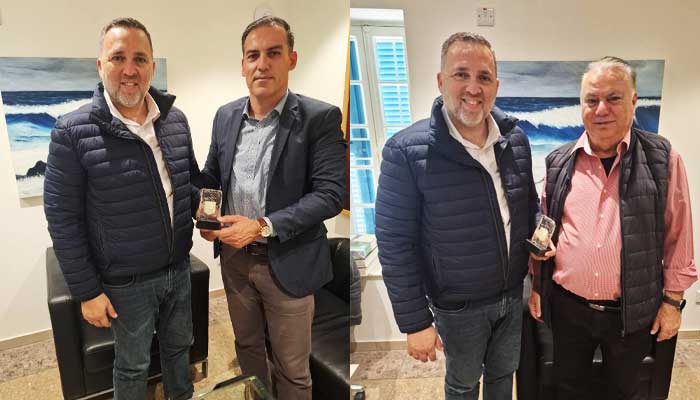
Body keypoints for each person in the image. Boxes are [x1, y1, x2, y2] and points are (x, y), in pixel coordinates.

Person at [375, 32, 545, 400]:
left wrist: (538, 236)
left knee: (503, 376)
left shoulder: (516, 140)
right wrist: (415, 322)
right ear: (440, 81)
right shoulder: (405, 152)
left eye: (483, 77)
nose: (473, 88)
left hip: (512, 294)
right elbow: (394, 244)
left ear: (496, 86)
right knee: (464, 385)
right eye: (461, 74)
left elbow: (526, 204)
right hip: (458, 307)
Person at [43, 17, 198, 400]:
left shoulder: (175, 120)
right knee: (132, 365)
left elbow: (187, 184)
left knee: (180, 349)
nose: (130, 69)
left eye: (140, 59)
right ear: (101, 66)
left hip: (178, 269)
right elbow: (63, 220)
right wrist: (86, 292)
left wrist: (209, 217)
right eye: (118, 58)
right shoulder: (71, 131)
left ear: (152, 67)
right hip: (126, 284)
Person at [195, 16, 346, 400]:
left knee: (292, 370)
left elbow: (330, 194)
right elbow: (212, 176)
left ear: (291, 59)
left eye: (273, 53)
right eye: (253, 55)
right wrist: (206, 218)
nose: (262, 64)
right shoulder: (226, 116)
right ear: (242, 65)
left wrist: (261, 226)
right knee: (247, 348)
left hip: (289, 262)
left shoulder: (319, 118)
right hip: (234, 260)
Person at [528, 56, 697, 400]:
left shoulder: (663, 159)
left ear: (634, 101)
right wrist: (537, 285)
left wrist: (672, 302)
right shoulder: (557, 162)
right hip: (568, 309)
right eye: (591, 99)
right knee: (568, 389)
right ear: (581, 106)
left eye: (613, 98)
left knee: (624, 391)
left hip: (630, 312)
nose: (601, 109)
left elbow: (679, 236)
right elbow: (545, 226)